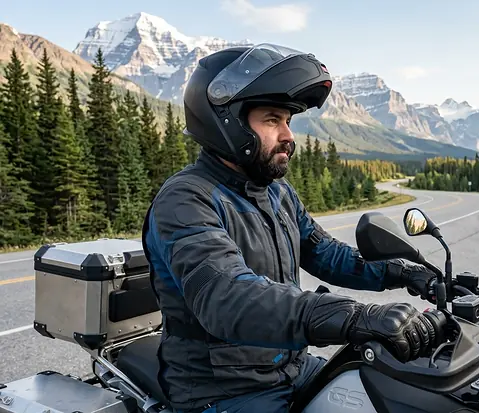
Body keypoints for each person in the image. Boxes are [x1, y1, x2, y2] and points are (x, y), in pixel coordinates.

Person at [141, 43, 440, 413]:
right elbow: (227, 297)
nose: (288, 136)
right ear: (227, 121)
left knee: (398, 391)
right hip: (224, 390)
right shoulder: (186, 199)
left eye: (288, 121)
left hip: (291, 369)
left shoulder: (276, 192)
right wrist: (356, 316)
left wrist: (407, 274)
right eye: (272, 120)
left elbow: (325, 253)